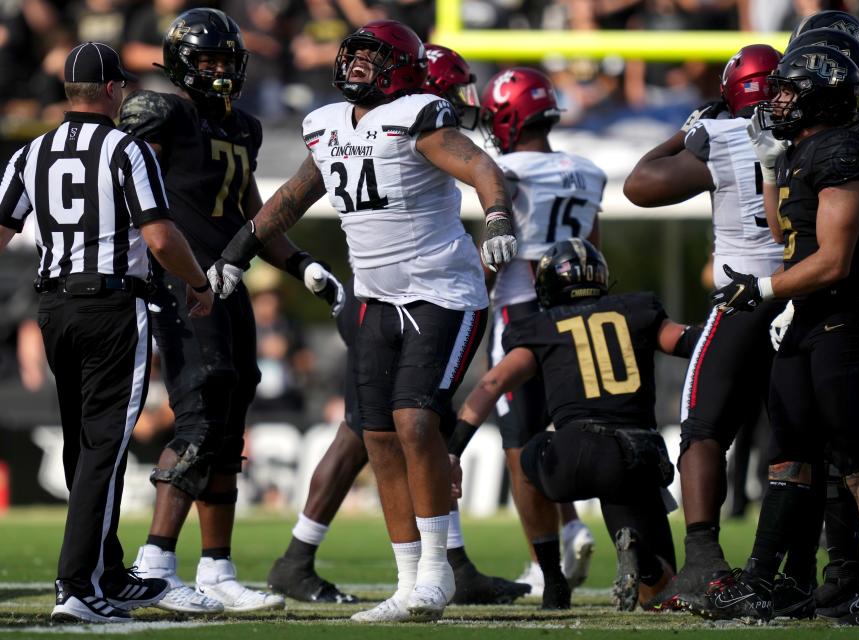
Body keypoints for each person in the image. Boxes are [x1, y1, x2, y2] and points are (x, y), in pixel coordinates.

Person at [207, 20, 518, 623]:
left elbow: (483, 169)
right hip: (375, 297)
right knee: (376, 434)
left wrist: (498, 217)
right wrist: (237, 251)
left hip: (442, 295)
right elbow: (294, 196)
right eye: (349, 58)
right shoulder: (326, 125)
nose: (352, 67)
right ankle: (408, 585)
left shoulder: (420, 115)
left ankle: (435, 575)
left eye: (367, 59)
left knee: (414, 421)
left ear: (398, 67)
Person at [118, 8, 343, 614]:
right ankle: (155, 563)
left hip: (230, 279)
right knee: (197, 414)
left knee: (228, 424)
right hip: (180, 281)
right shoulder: (163, 114)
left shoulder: (245, 125)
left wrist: (300, 265)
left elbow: (253, 217)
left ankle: (216, 569)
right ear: (181, 62)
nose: (219, 70)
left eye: (225, 60)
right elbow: (122, 186)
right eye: (208, 59)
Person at [698, 44, 859, 626]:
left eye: (789, 91)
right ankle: (761, 578)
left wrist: (766, 289)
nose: (777, 100)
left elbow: (836, 260)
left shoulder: (844, 148)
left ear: (822, 95)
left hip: (843, 320)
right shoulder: (804, 150)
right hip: (807, 320)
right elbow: (783, 230)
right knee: (789, 455)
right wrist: (771, 168)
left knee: (858, 458)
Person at [0, 41, 214, 623]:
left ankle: (109, 572)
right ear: (115, 90)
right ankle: (78, 585)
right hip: (114, 306)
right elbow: (161, 237)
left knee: (84, 442)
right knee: (104, 446)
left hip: (54, 308)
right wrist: (199, 283)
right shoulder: (126, 149)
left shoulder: (31, 153)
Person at [622, 44, 799, 612]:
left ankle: (702, 557)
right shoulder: (816, 131)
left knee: (702, 431)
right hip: (809, 296)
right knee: (802, 438)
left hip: (743, 301)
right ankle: (805, 564)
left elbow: (639, 185)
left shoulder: (719, 137)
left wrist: (687, 130)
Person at [455, 238, 702, 611]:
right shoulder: (637, 309)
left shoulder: (539, 326)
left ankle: (553, 579)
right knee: (662, 596)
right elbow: (691, 343)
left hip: (574, 455)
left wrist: (452, 448)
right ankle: (646, 563)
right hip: (636, 457)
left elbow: (492, 384)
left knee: (526, 450)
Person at [468, 66, 603, 608]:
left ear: (508, 117)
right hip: (580, 312)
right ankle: (578, 527)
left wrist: (472, 299)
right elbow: (596, 255)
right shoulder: (589, 171)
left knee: (519, 442)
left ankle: (545, 561)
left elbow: (498, 260)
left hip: (521, 315)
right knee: (577, 427)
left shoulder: (502, 171)